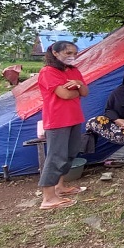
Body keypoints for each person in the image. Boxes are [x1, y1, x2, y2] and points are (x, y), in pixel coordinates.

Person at [37, 41, 89, 210]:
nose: (72, 56)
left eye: (74, 53)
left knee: (70, 153)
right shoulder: (48, 72)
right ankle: (48, 198)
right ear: (55, 53)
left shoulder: (74, 70)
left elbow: (85, 92)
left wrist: (79, 85)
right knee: (56, 156)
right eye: (68, 53)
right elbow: (65, 95)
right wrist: (78, 90)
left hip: (74, 117)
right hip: (57, 120)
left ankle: (59, 187)